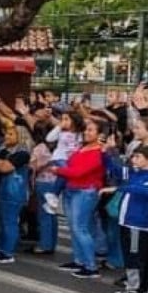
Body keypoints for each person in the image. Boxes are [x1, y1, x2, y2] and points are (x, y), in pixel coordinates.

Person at [110, 146, 148, 293]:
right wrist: (109, 151)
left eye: (138, 157)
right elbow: (117, 170)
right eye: (134, 157)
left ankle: (136, 292)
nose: (134, 160)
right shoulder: (136, 173)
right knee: (130, 255)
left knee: (135, 257)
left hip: (137, 224)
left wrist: (121, 187)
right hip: (126, 221)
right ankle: (138, 289)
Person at [54, 119, 107, 278]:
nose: (86, 132)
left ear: (99, 134)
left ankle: (91, 266)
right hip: (72, 189)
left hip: (85, 191)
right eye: (86, 129)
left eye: (91, 130)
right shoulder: (83, 147)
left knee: (81, 228)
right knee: (74, 227)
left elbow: (78, 172)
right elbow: (71, 166)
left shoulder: (99, 152)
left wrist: (58, 170)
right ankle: (79, 260)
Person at [0, 124, 31, 264]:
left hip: (14, 192)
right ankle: (0, 246)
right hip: (0, 189)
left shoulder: (23, 153)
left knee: (10, 221)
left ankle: (8, 251)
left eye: (11, 134)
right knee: (2, 221)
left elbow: (4, 167)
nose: (6, 137)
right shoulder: (3, 150)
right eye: (6, 134)